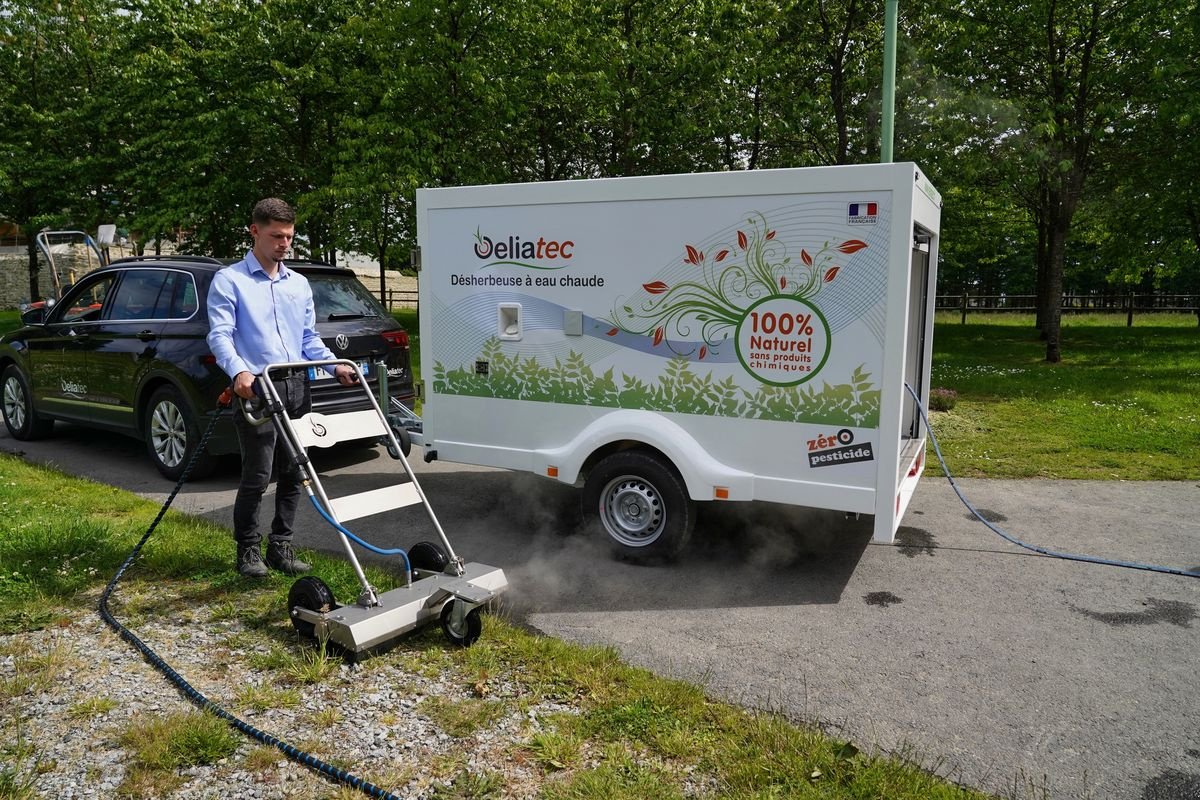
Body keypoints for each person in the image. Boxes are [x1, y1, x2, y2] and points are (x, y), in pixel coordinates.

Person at [207, 198, 357, 577]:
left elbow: (308, 338)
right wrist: (239, 372)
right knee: (258, 475)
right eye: (276, 236)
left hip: (296, 386)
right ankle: (247, 551)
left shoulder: (299, 285)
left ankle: (281, 547)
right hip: (257, 389)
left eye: (289, 237)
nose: (284, 244)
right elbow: (220, 335)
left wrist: (333, 364)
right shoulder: (230, 281)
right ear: (254, 231)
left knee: (295, 471)